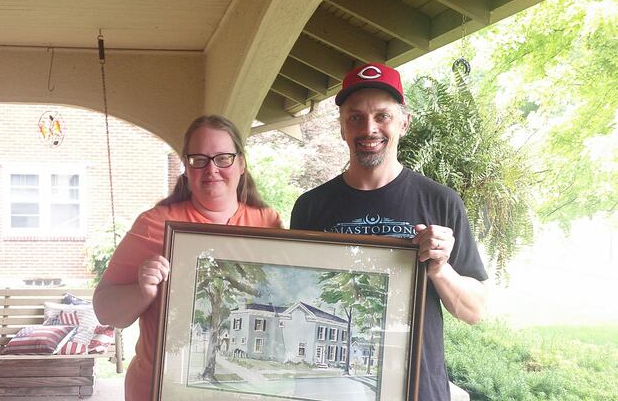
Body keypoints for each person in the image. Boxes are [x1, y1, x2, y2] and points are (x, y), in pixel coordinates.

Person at [290, 63, 488, 400]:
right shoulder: (310, 207)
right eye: (355, 117)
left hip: (418, 389)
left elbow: (473, 311)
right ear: (342, 128)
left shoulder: (441, 202)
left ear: (404, 123)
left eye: (382, 116)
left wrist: (440, 270)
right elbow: (298, 294)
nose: (369, 129)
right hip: (336, 391)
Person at [93, 115, 282, 401]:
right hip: (159, 392)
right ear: (186, 166)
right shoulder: (154, 224)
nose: (211, 169)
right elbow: (105, 312)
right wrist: (143, 292)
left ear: (241, 164)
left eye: (223, 158)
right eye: (199, 160)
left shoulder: (268, 223)